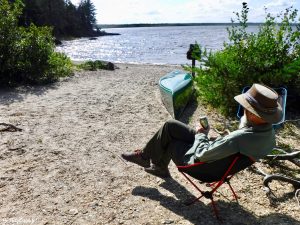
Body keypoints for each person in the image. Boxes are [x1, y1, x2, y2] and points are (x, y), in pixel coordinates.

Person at [121, 83, 283, 178]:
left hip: (204, 168)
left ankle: (155, 163)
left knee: (172, 141)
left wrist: (201, 135)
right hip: (220, 164)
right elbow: (237, 141)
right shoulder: (268, 135)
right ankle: (146, 157)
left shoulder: (239, 138)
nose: (244, 109)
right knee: (171, 125)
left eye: (247, 108)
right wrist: (215, 139)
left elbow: (201, 155)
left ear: (254, 115)